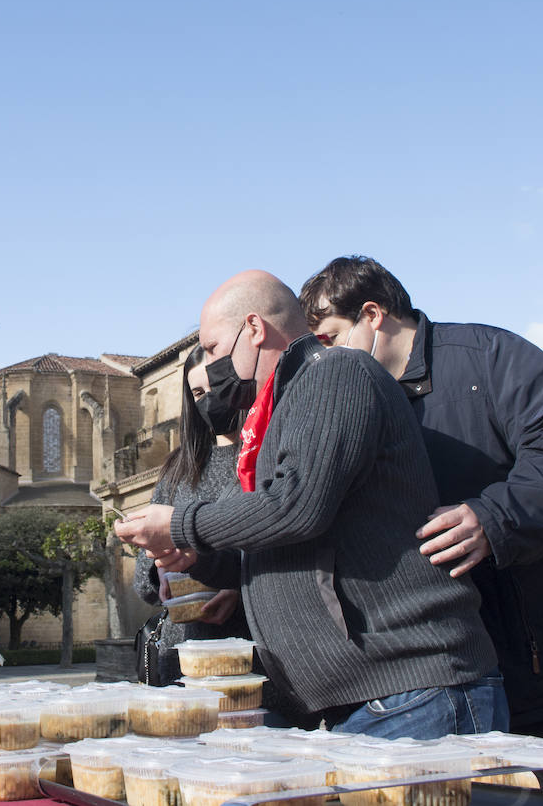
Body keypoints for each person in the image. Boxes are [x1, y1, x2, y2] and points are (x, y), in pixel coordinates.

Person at [116, 270, 504, 740]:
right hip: (376, 701)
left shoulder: (334, 373)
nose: (212, 367)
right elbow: (291, 540)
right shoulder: (285, 406)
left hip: (413, 694)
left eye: (215, 348)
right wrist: (205, 561)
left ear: (255, 330)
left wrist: (181, 524)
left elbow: (297, 506)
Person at [298, 255, 543, 741]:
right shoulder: (355, 400)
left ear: (373, 316)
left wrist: (494, 518)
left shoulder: (490, 355)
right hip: (448, 670)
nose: (327, 358)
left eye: (332, 338)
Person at [131, 347, 249, 685]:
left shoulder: (262, 454)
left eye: (216, 388)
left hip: (250, 662)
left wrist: (241, 590)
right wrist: (161, 569)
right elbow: (143, 583)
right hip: (179, 660)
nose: (209, 401)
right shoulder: (177, 469)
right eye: (198, 393)